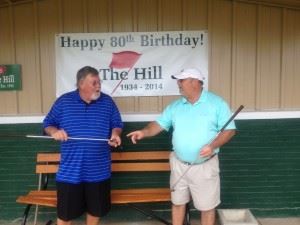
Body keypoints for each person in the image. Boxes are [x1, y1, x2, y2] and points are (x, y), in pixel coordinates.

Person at [127, 68, 236, 225]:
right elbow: (158, 124)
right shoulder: (175, 106)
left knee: (207, 208)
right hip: (178, 164)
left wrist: (213, 145)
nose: (178, 84)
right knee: (178, 203)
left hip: (204, 165)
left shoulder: (216, 103)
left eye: (181, 80)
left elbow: (230, 130)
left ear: (194, 82)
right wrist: (143, 132)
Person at [43, 66, 123, 225]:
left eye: (99, 82)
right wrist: (54, 132)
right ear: (81, 84)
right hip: (70, 172)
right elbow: (48, 123)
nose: (98, 86)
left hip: (99, 172)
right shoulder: (64, 101)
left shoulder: (107, 102)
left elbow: (117, 123)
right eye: (94, 83)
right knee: (65, 216)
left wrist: (115, 134)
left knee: (95, 211)